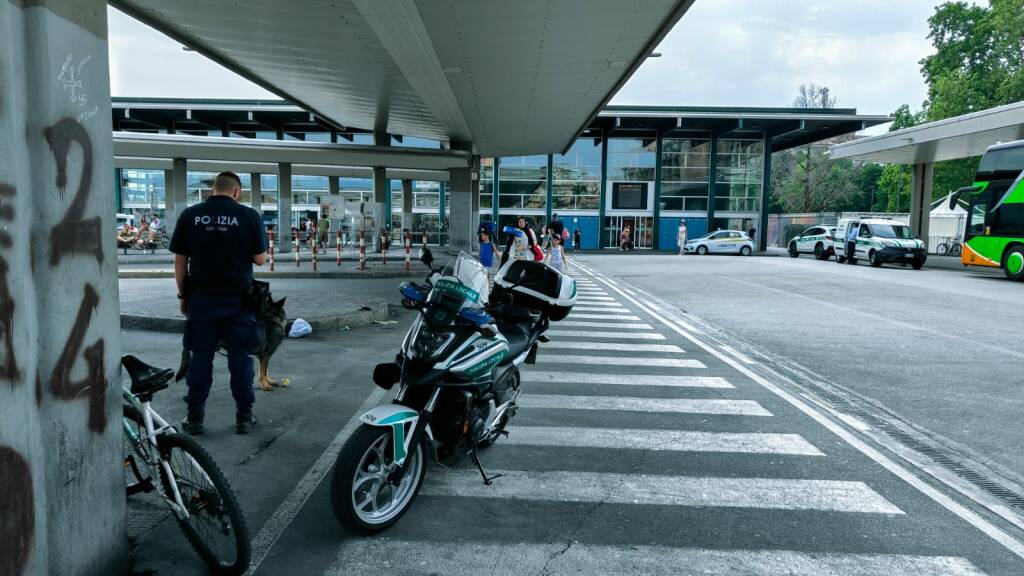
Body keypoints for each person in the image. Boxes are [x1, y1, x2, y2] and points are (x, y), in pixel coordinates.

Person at [170, 171, 268, 435]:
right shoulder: (249, 216)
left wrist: (183, 296)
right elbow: (260, 259)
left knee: (200, 358)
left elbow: (180, 262)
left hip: (201, 301)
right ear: (236, 192)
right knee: (240, 359)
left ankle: (195, 418)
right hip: (239, 301)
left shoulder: (190, 215)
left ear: (213, 190)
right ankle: (244, 417)